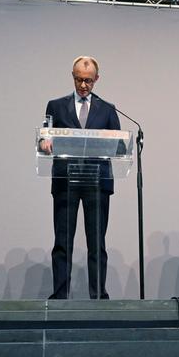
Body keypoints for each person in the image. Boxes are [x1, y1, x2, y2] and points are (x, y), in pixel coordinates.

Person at [41, 56, 120, 299]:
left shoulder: (107, 109)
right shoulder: (55, 105)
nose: (83, 85)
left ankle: (98, 296)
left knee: (97, 243)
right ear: (72, 77)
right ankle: (60, 295)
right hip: (66, 181)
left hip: (97, 182)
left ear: (97, 79)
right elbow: (45, 134)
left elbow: (119, 145)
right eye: (78, 79)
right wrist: (44, 141)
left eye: (88, 80)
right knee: (63, 242)